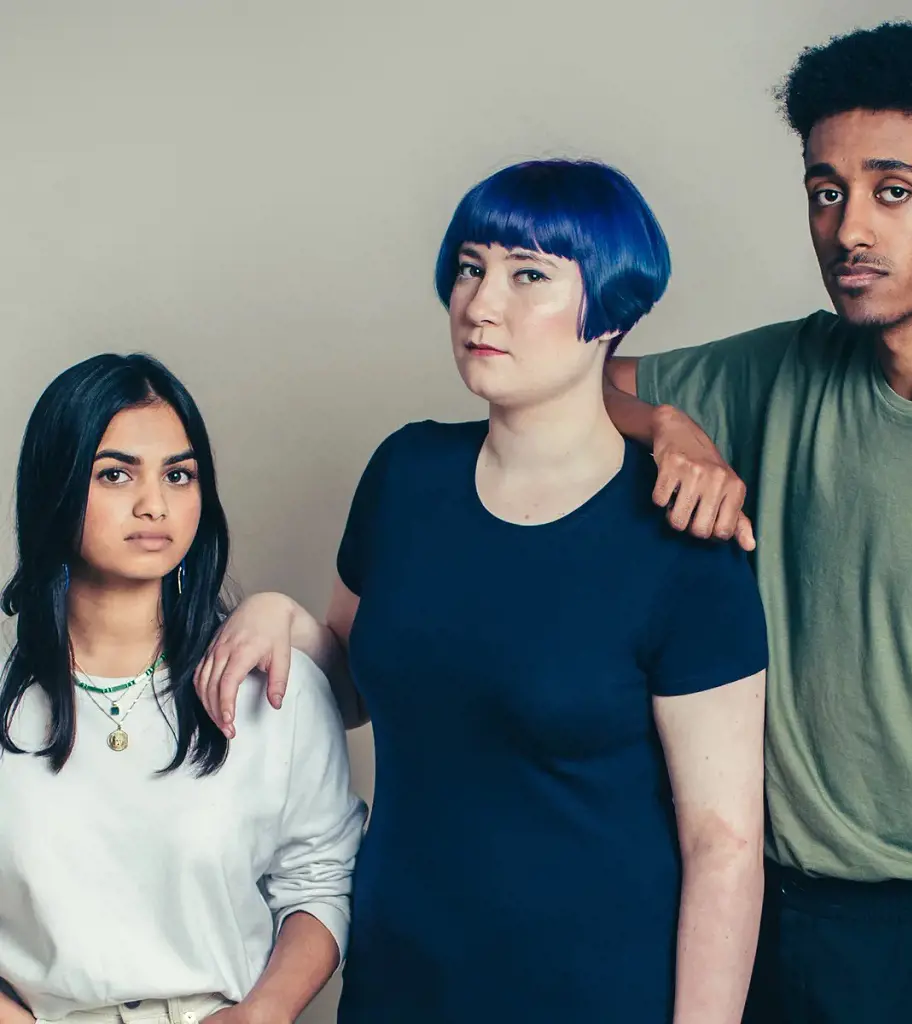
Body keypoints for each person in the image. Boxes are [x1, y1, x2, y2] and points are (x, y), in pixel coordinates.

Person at [194, 159, 769, 1024]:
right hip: (398, 981)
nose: (481, 303)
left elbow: (723, 843)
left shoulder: (683, 540)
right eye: (471, 267)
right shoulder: (406, 473)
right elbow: (349, 685)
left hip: (594, 997)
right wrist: (283, 618)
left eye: (528, 275)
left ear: (610, 307)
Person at [599, 21, 912, 1024]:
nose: (848, 230)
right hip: (763, 918)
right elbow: (568, 385)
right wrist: (667, 426)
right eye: (824, 190)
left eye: (891, 189)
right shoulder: (785, 368)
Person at [0, 355, 366, 1024]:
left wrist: (265, 1013)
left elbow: (322, 876)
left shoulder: (271, 687)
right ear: (55, 486)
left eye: (178, 474)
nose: (154, 504)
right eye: (115, 474)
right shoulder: (7, 699)